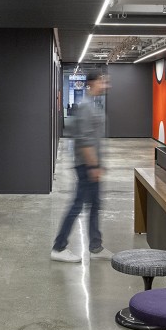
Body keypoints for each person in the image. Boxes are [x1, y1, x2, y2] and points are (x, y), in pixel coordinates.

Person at [51, 72, 113, 263]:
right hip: (86, 165)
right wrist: (93, 166)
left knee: (95, 204)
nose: (107, 86)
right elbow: (85, 141)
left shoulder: (93, 104)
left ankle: (95, 245)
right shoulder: (86, 106)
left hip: (92, 165)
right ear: (94, 83)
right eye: (104, 82)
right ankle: (59, 247)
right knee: (77, 205)